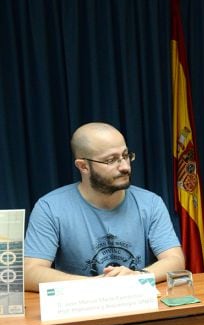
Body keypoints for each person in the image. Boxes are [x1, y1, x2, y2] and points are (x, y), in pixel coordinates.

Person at [24, 122, 184, 291]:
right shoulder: (50, 207)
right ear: (83, 166)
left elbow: (175, 260)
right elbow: (30, 272)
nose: (125, 166)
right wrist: (96, 285)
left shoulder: (150, 203)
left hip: (137, 305)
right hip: (79, 309)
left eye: (125, 155)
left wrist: (139, 276)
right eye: (111, 160)